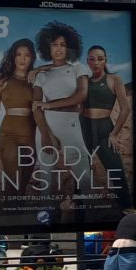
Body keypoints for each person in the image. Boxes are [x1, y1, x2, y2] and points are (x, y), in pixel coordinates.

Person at [30, 22, 92, 207]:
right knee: (46, 174)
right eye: (54, 44)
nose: (58, 49)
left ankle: (90, 212)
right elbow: (36, 107)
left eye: (63, 45)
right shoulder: (41, 75)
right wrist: (45, 134)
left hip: (71, 124)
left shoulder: (77, 68)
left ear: (69, 47)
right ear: (47, 46)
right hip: (46, 125)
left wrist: (49, 104)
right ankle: (45, 217)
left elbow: (81, 95)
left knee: (83, 171)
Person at [0, 39, 48, 195]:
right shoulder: (2, 79)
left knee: (23, 184)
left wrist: (39, 69)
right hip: (9, 135)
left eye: (27, 55)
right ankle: (9, 215)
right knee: (13, 181)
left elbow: (59, 67)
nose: (22, 58)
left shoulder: (36, 80)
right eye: (19, 55)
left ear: (32, 58)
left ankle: (16, 216)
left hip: (29, 137)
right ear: (13, 57)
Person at [82, 45, 133, 207]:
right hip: (84, 128)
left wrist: (114, 134)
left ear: (105, 60)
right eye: (92, 59)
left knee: (116, 171)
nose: (96, 63)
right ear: (87, 61)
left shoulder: (114, 80)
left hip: (105, 128)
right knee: (80, 173)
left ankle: (126, 212)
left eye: (100, 59)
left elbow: (125, 109)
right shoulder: (84, 81)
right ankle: (78, 215)